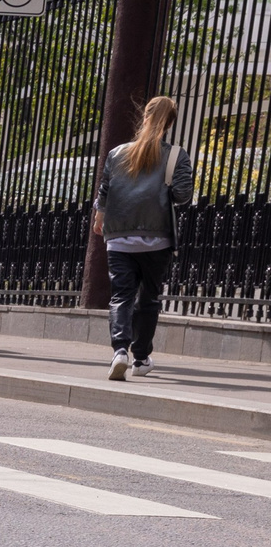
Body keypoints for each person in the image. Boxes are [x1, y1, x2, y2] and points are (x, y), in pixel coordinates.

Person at [92, 94, 191, 380]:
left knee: (121, 295)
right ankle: (141, 358)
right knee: (148, 298)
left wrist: (100, 217)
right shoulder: (175, 155)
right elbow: (183, 195)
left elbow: (105, 191)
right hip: (157, 238)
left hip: (119, 237)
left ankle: (119, 351)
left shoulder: (117, 153)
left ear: (144, 116)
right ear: (170, 123)